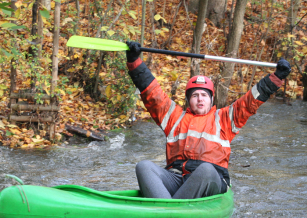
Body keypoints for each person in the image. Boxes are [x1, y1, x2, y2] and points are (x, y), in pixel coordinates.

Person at [125, 41, 291, 199]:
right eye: (195, 95)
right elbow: (152, 94)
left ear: (211, 99)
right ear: (189, 100)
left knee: (205, 169)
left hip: (211, 181)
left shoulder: (225, 118)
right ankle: (166, 211)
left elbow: (250, 101)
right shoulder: (174, 118)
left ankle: (171, 213)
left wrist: (276, 78)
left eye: (204, 95)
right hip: (178, 180)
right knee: (144, 166)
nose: (200, 99)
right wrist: (134, 61)